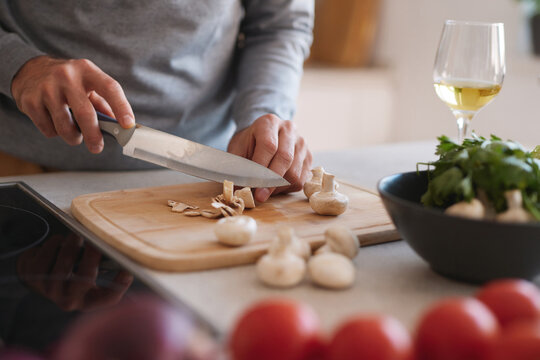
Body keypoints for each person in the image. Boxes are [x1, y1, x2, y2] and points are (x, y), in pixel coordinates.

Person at [0, 1, 314, 202]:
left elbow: (278, 25)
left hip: (208, 180)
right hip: (21, 174)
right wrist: (19, 65)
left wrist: (264, 113)